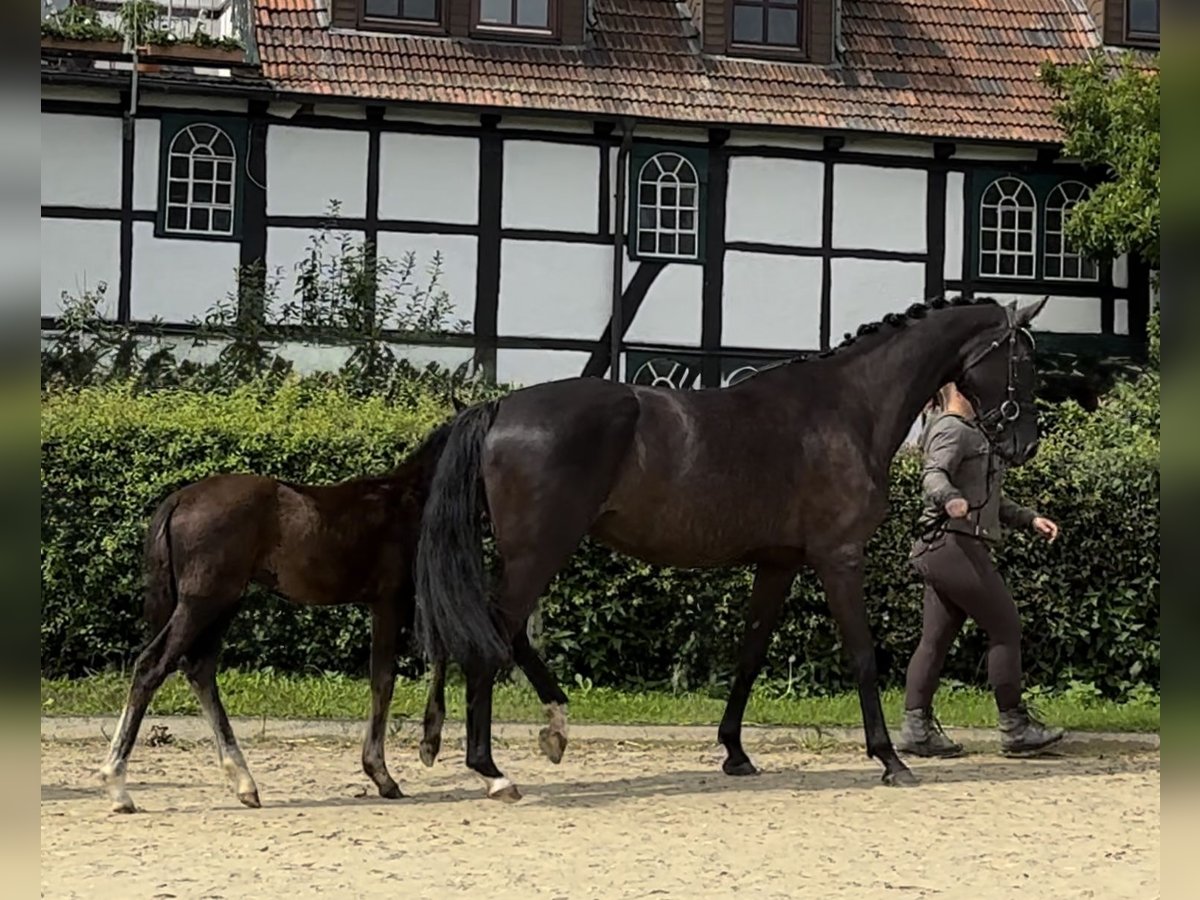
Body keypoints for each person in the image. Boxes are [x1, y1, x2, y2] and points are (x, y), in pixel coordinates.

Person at [896, 382, 1065, 758]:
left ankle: (916, 729)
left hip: (946, 545)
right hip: (952, 543)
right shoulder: (951, 428)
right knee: (1005, 625)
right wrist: (950, 498)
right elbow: (934, 474)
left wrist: (1030, 518)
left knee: (935, 639)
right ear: (961, 389)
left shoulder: (971, 431)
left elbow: (989, 498)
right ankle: (1015, 728)